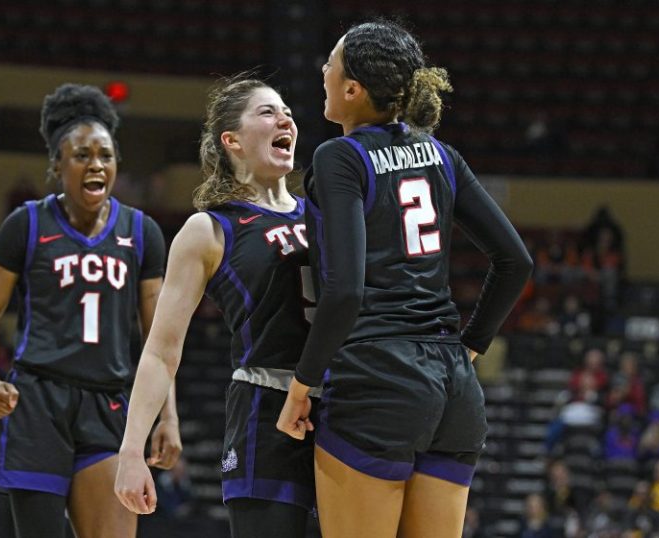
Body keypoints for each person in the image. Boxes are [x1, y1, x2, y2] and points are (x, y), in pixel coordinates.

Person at [277, 20, 533, 538]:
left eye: (330, 63)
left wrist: (303, 383)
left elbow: (345, 290)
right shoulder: (441, 154)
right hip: (454, 390)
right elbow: (515, 261)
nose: (321, 71)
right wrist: (471, 347)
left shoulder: (339, 157)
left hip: (376, 378)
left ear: (352, 89)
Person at [0, 83, 180, 538]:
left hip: (109, 404)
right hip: (38, 403)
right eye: (82, 155)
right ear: (57, 166)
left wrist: (168, 416)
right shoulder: (26, 225)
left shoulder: (141, 233)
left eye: (105, 155)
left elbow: (159, 340)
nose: (96, 164)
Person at [114, 77, 316, 538]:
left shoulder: (323, 213)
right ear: (232, 140)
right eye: (267, 112)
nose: (285, 119)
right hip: (268, 415)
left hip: (344, 412)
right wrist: (131, 450)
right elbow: (161, 350)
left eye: (286, 111)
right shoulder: (208, 229)